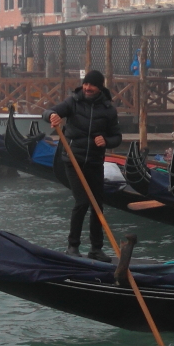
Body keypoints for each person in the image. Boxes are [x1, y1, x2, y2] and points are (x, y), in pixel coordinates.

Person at [47, 69, 122, 259]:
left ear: (99, 87)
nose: (87, 88)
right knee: (81, 202)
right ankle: (73, 246)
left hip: (95, 161)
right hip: (74, 160)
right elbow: (51, 111)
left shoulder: (108, 109)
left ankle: (96, 249)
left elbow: (117, 137)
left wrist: (106, 141)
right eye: (86, 84)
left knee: (97, 204)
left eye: (92, 85)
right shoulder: (73, 101)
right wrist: (51, 116)